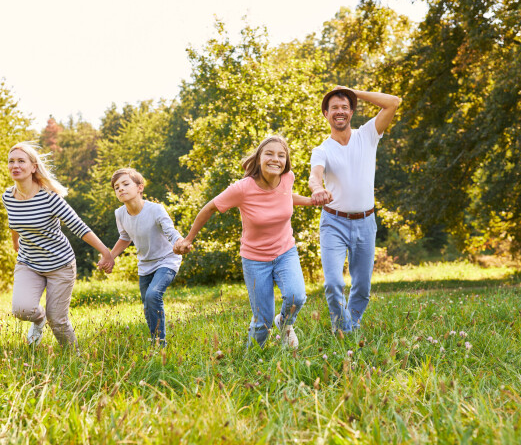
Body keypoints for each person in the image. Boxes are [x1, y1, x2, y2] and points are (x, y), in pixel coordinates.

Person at [174, 136, 317, 349]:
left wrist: (311, 201)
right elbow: (210, 208)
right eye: (269, 153)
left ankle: (285, 324)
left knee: (297, 296)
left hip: (286, 251)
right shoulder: (242, 188)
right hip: (255, 259)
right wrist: (188, 239)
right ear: (259, 158)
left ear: (286, 160)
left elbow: (285, 196)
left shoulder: (287, 178)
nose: (275, 159)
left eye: (281, 155)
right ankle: (250, 359)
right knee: (263, 321)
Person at [3, 141, 114, 349]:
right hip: (28, 263)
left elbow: (78, 227)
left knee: (58, 321)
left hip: (59, 265)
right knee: (21, 310)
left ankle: (74, 358)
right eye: (11, 161)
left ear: (33, 167)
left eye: (21, 161)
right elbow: (13, 222)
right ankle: (38, 319)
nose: (15, 166)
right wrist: (15, 243)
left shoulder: (50, 197)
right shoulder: (8, 196)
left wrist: (106, 253)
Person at [309, 86, 401, 334]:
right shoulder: (322, 150)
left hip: (365, 222)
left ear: (351, 112)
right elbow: (314, 176)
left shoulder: (367, 135)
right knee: (333, 283)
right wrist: (318, 189)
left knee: (362, 286)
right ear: (326, 114)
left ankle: (353, 321)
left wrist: (351, 92)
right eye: (334, 108)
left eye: (344, 107)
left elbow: (393, 102)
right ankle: (343, 330)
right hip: (333, 223)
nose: (339, 112)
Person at [106, 168, 183, 347]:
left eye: (126, 184)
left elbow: (170, 231)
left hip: (167, 259)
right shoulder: (120, 213)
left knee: (153, 295)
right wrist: (110, 257)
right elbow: (125, 237)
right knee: (148, 305)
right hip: (145, 264)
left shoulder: (156, 209)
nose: (121, 189)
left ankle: (160, 343)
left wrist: (179, 242)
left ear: (140, 187)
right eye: (116, 187)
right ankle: (155, 341)